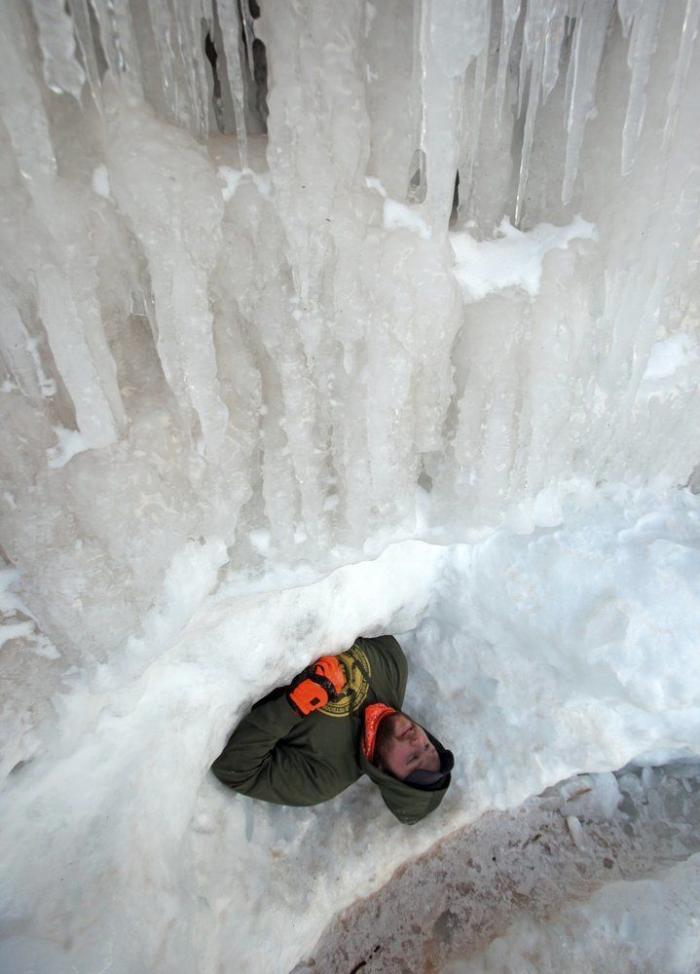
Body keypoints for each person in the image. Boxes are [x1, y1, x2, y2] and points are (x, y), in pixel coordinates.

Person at [211, 635, 453, 825]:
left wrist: (295, 706)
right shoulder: (393, 666)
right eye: (426, 746)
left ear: (383, 771)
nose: (416, 740)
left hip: (228, 652)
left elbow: (235, 771)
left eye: (412, 758)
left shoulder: (323, 777)